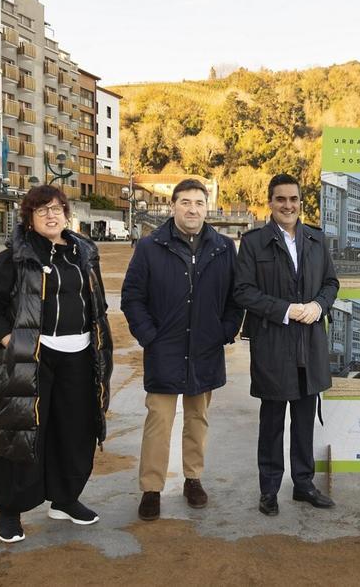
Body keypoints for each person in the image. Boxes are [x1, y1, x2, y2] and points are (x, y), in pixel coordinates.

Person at [0, 185, 114, 544]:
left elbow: (95, 302)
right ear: (30, 218)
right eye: (42, 211)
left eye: (57, 208)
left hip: (81, 356)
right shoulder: (13, 259)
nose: (51, 216)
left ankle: (65, 499)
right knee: (21, 432)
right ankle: (10, 511)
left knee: (75, 430)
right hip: (32, 358)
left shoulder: (85, 252)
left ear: (67, 213)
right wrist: (13, 342)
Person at [122, 179, 243, 521]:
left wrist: (225, 331)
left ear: (208, 207)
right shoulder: (150, 246)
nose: (192, 209)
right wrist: (149, 336)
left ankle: (193, 479)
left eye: (199, 203)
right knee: (159, 420)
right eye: (185, 202)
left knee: (197, 419)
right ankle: (151, 488)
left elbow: (235, 298)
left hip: (205, 348)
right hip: (165, 350)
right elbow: (132, 297)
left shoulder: (222, 247)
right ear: (173, 206)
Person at [233, 173, 339, 516]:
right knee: (273, 421)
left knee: (305, 420)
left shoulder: (316, 240)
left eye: (294, 199)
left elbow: (331, 283)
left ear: (301, 203)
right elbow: (243, 292)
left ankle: (304, 485)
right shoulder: (253, 243)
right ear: (271, 203)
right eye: (281, 199)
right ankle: (269, 489)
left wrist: (318, 305)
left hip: (309, 343)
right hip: (273, 344)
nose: (288, 205)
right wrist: (285, 310)